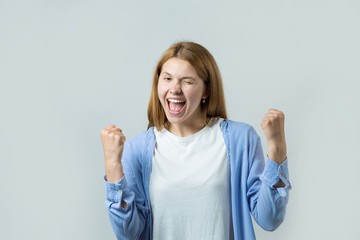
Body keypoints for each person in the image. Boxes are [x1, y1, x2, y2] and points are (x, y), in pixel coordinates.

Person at [100, 41, 291, 240]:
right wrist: (112, 164)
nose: (174, 89)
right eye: (167, 78)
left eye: (187, 81)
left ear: (206, 91)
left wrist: (277, 148)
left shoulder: (240, 139)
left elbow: (269, 219)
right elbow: (127, 234)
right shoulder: (137, 150)